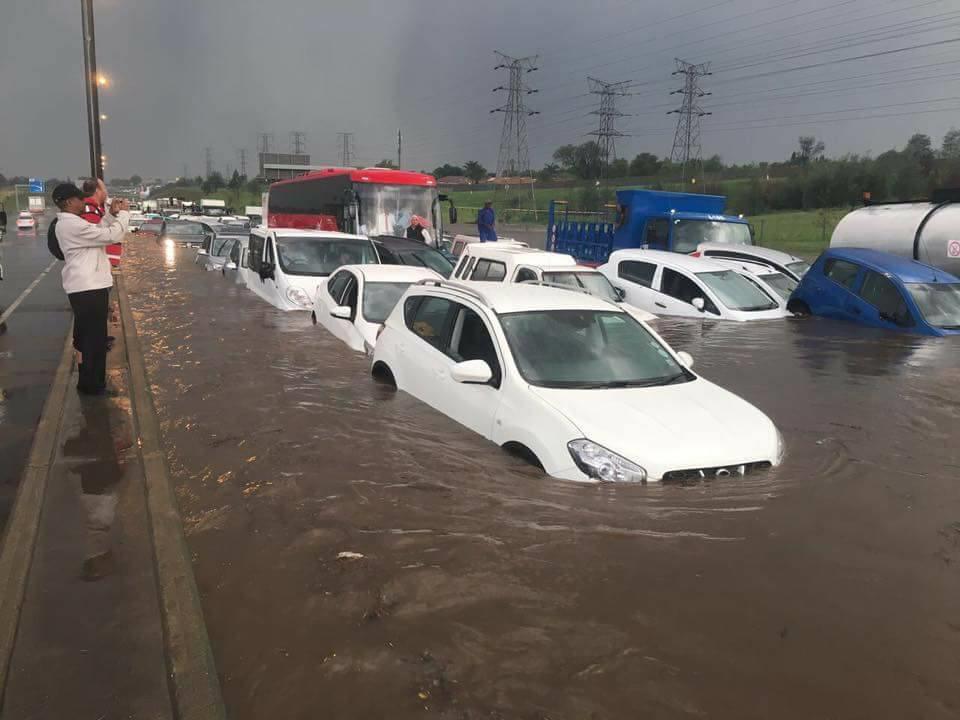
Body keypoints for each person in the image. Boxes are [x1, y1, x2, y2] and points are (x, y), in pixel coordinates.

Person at [52, 183, 129, 396]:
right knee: (95, 340)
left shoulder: (72, 223)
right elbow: (112, 236)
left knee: (86, 337)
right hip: (89, 288)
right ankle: (94, 386)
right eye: (79, 199)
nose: (83, 202)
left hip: (86, 287)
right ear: (68, 202)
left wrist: (111, 216)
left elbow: (97, 231)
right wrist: (123, 215)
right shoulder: (71, 225)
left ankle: (88, 381)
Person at [81, 178, 122, 269]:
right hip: (97, 267)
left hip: (103, 265)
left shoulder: (97, 209)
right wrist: (124, 215)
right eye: (104, 189)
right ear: (97, 191)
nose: (106, 193)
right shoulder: (90, 210)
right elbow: (97, 236)